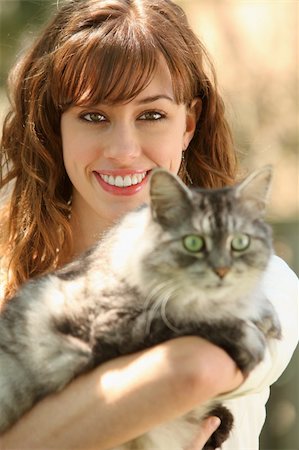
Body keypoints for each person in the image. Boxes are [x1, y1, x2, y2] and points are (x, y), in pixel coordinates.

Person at [0, 0, 297, 449]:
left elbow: (191, 370)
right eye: (93, 116)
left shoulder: (264, 279)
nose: (123, 149)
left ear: (188, 125)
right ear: (56, 127)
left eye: (152, 115)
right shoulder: (6, 259)